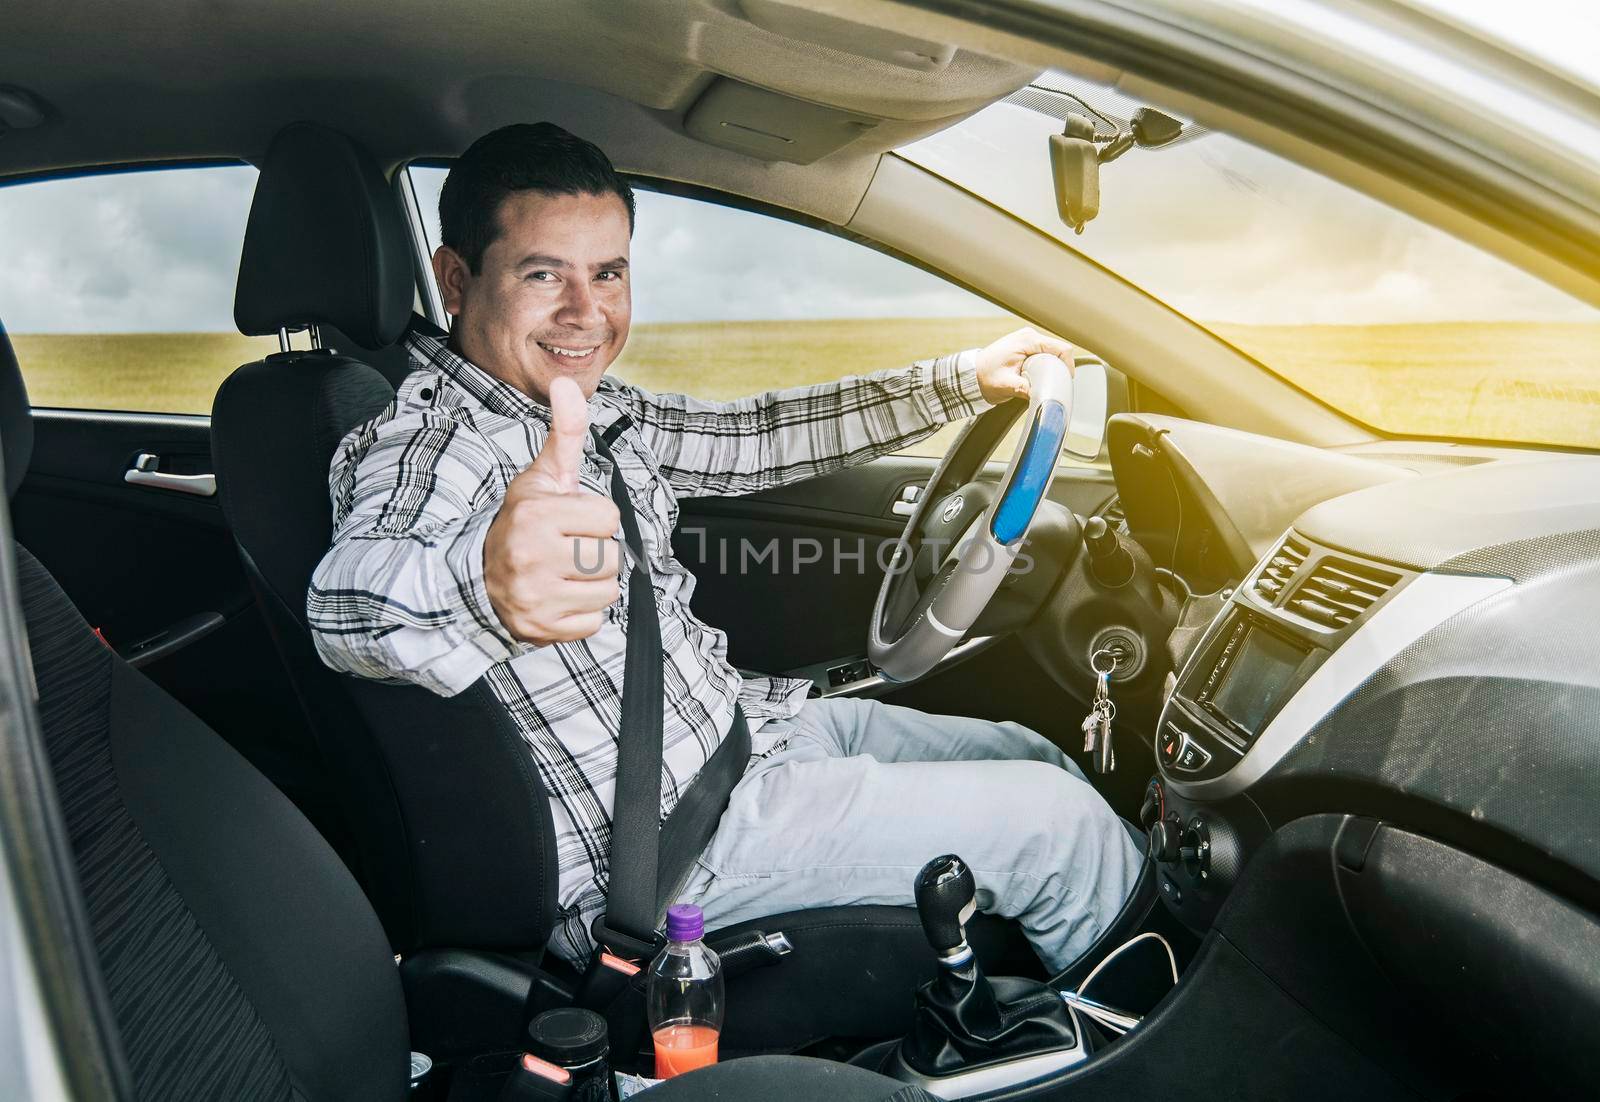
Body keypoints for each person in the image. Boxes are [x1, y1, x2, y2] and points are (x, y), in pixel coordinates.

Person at [309, 122, 1140, 972]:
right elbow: (350, 603)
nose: (585, 314)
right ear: (456, 280)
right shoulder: (426, 442)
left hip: (750, 738)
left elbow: (754, 435)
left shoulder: (578, 408)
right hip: (666, 851)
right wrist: (485, 582)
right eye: (541, 274)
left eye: (608, 274)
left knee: (1034, 755)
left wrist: (960, 380)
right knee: (1062, 830)